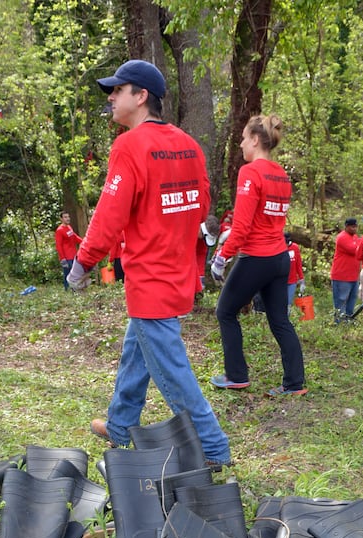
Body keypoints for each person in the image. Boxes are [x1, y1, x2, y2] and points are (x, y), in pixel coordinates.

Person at [66, 59, 231, 468]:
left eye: (118, 90)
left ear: (141, 97)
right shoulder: (189, 145)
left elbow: (109, 214)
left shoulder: (130, 146)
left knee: (171, 370)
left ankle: (212, 447)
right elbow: (202, 207)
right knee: (136, 349)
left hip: (150, 278)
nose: (111, 97)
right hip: (177, 274)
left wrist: (82, 262)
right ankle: (121, 425)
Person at [209, 114, 307, 397]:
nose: (240, 144)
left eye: (243, 138)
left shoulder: (250, 172)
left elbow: (241, 227)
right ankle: (295, 383)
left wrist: (221, 258)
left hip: (256, 257)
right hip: (280, 258)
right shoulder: (281, 175)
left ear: (254, 139)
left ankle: (236, 376)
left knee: (225, 311)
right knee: (279, 320)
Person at [330, 218, 360, 322]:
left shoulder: (355, 237)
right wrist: (360, 245)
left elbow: (361, 249)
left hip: (354, 276)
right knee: (341, 300)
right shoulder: (342, 237)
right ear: (346, 227)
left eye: (355, 226)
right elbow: (355, 250)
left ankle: (348, 320)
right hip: (342, 276)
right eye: (352, 227)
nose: (354, 229)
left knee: (352, 300)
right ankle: (339, 322)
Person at [54, 212, 83, 290]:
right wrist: (62, 258)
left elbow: (74, 237)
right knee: (68, 274)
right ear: (61, 219)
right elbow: (58, 245)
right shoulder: (60, 230)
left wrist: (84, 242)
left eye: (68, 217)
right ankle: (67, 290)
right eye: (65, 217)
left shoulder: (69, 227)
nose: (68, 219)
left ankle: (75, 289)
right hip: (67, 257)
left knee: (75, 273)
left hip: (73, 255)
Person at [285, 234, 305, 309]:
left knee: (289, 302)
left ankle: (287, 315)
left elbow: (298, 264)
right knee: (281, 302)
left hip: (292, 281)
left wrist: (301, 279)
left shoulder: (295, 247)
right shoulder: (279, 248)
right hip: (281, 281)